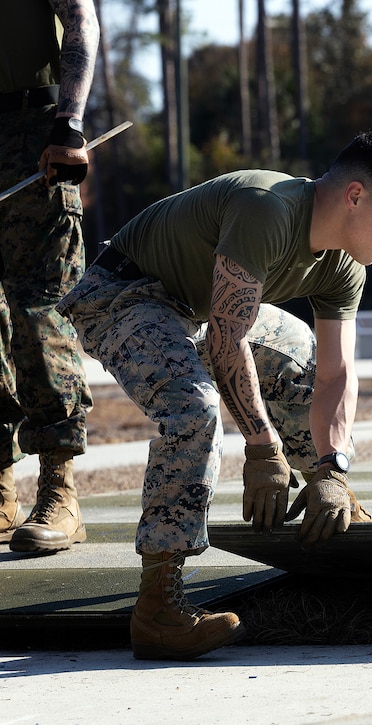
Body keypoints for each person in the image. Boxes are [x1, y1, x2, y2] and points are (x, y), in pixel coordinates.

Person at [57, 131, 372, 660]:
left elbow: (337, 373)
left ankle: (326, 496)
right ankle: (158, 609)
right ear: (354, 196)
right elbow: (227, 340)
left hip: (195, 309)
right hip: (123, 294)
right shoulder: (268, 211)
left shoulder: (345, 264)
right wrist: (262, 448)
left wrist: (332, 468)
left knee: (305, 355)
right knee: (194, 410)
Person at [0, 0, 99, 551]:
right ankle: (0, 492)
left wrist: (69, 122)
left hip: (34, 134)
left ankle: (59, 490)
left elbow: (80, 19)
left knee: (40, 315)